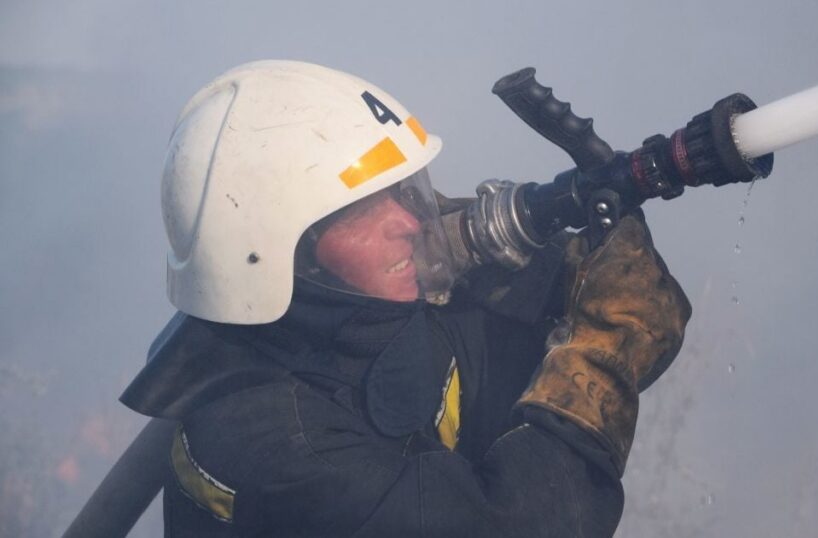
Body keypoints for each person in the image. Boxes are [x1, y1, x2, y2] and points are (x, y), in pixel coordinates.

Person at [121, 60, 691, 537]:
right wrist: (605, 348)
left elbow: (606, 300)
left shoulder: (370, 313)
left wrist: (597, 251)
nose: (409, 222)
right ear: (281, 256)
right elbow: (526, 522)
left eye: (402, 192)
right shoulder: (273, 443)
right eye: (360, 212)